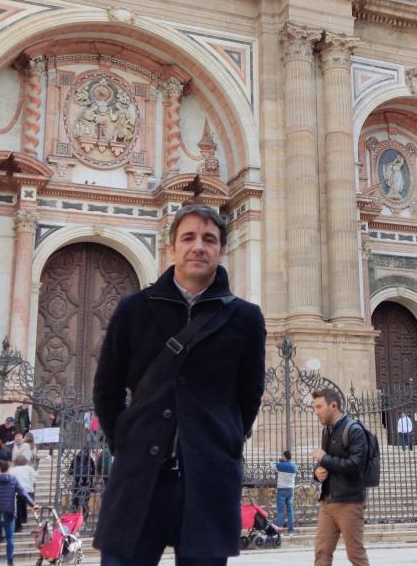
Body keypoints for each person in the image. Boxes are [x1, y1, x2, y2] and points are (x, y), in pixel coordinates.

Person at [92, 203, 266, 565]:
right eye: (188, 237)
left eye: (209, 239)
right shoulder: (133, 309)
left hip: (208, 478)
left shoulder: (245, 318)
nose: (197, 246)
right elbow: (107, 389)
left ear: (222, 250)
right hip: (139, 478)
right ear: (171, 247)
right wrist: (126, 439)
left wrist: (227, 439)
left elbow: (249, 395)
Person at [310, 388, 370, 566]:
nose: (316, 412)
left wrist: (324, 459)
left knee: (355, 554)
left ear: (333, 405)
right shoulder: (326, 431)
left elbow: (356, 465)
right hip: (328, 501)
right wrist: (317, 472)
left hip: (349, 502)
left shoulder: (354, 430)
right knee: (321, 553)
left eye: (319, 407)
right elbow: (324, 461)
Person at [0, 460, 38, 566]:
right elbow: (23, 493)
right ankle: (10, 563)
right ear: (9, 469)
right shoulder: (13, 480)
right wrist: (33, 504)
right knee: (10, 539)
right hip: (9, 513)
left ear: (0, 469)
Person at [270, 450, 298, 536]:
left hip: (281, 490)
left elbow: (273, 467)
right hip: (290, 490)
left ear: (285, 457)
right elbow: (295, 473)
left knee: (280, 511)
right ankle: (290, 531)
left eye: (283, 456)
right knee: (290, 511)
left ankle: (280, 531)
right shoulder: (294, 466)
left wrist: (271, 460)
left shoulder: (280, 465)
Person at [10, 455, 37, 532]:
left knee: (18, 505)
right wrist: (31, 483)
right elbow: (34, 477)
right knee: (24, 503)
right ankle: (24, 518)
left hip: (17, 489)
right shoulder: (29, 468)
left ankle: (19, 523)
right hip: (28, 489)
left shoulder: (13, 469)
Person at [68, 446, 96, 517]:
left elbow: (70, 471)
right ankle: (84, 520)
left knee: (75, 503)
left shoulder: (75, 459)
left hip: (77, 483)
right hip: (87, 483)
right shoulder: (90, 459)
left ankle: (74, 519)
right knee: (85, 503)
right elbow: (94, 472)